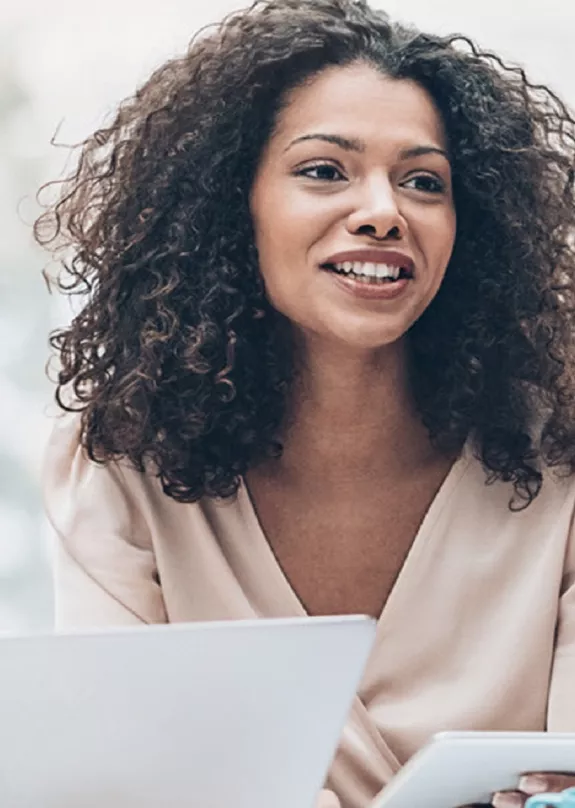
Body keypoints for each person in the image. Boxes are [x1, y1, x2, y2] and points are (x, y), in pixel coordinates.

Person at [35, 1, 575, 807]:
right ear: (231, 204)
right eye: (324, 170)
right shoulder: (120, 458)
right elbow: (114, 785)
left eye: (423, 182)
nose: (383, 211)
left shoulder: (557, 457)